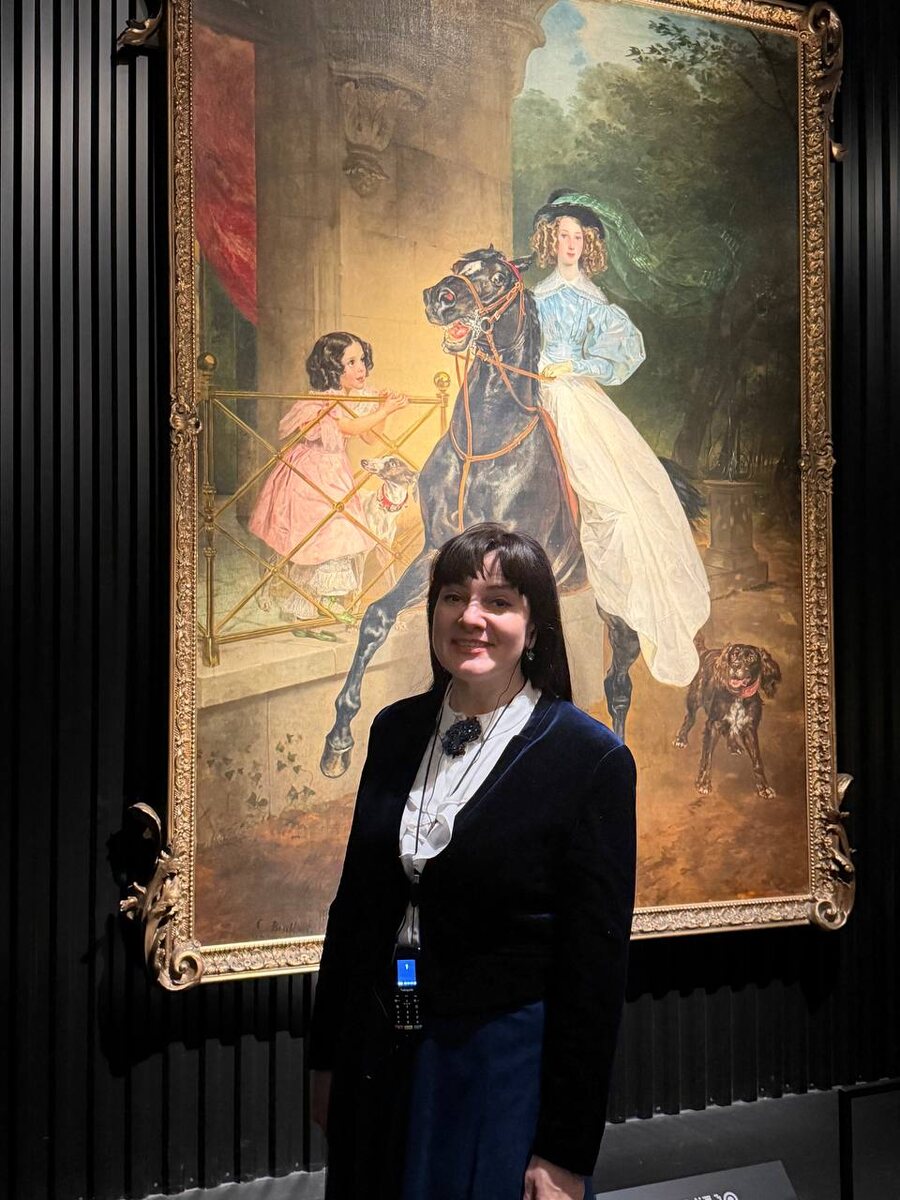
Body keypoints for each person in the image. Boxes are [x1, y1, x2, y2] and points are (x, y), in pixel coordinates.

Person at [308, 522, 637, 1200]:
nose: (470, 617)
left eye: (499, 601)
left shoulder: (590, 759)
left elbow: (593, 972)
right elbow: (356, 909)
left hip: (496, 1071)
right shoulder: (394, 730)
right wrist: (326, 1058)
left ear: (535, 627)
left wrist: (564, 1151)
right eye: (453, 596)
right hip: (379, 1055)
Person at [531, 191, 710, 686]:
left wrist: (574, 365)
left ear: (587, 244)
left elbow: (626, 356)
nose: (570, 244)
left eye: (578, 237)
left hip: (575, 396)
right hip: (533, 390)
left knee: (612, 497)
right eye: (563, 236)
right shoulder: (535, 295)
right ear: (550, 240)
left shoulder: (594, 300)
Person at [249, 331, 407, 636]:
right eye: (351, 362)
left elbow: (370, 436)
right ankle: (318, 606)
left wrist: (381, 410)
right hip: (308, 475)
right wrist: (384, 409)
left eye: (362, 360)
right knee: (323, 537)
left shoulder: (356, 398)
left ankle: (304, 610)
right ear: (333, 368)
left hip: (336, 474)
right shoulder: (317, 402)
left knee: (334, 537)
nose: (361, 368)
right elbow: (347, 427)